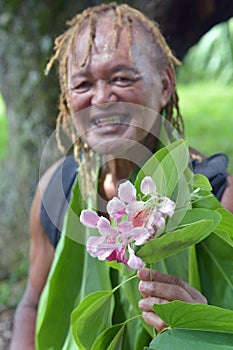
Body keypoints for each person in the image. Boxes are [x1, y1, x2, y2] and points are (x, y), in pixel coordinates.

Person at [10, 3, 233, 349]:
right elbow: (31, 304)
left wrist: (200, 327)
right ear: (67, 100)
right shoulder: (55, 190)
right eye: (82, 84)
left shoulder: (217, 196)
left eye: (121, 78)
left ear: (164, 85)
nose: (101, 98)